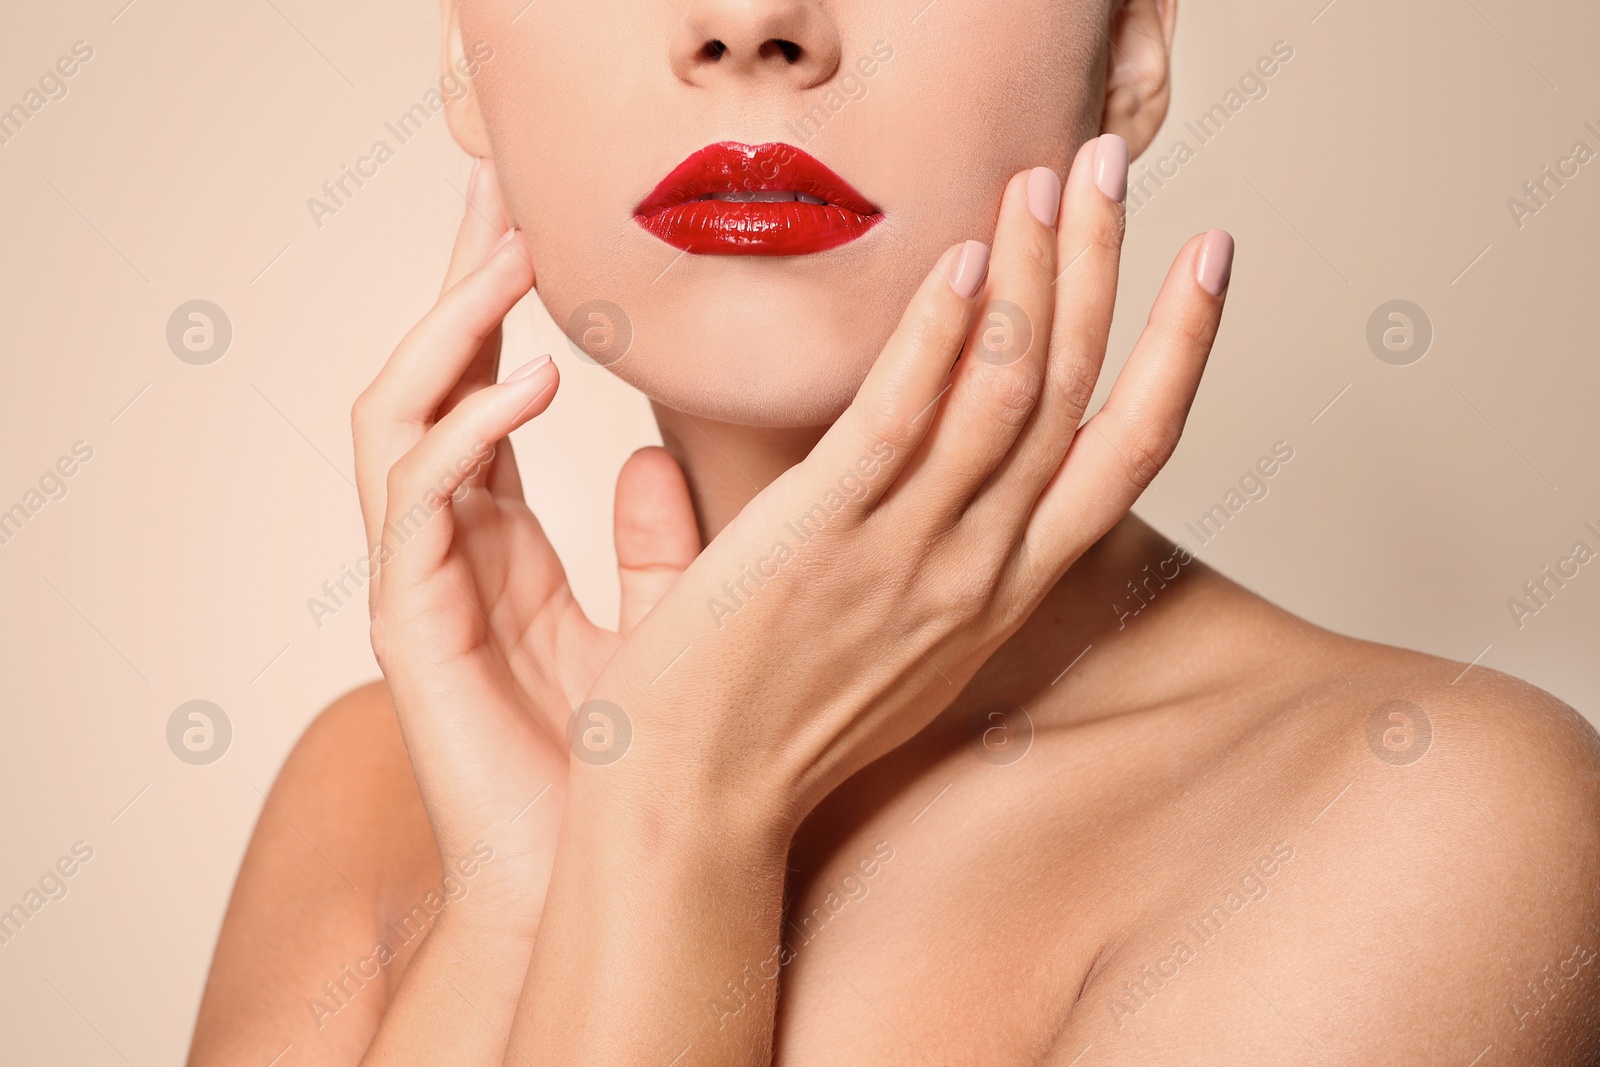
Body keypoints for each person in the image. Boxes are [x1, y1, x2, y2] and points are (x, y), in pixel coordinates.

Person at [188, 0, 1600, 1063]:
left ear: (1134, 50)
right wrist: (528, 907)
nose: (754, 26)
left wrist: (682, 811)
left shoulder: (1429, 821)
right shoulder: (370, 797)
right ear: (460, 56)